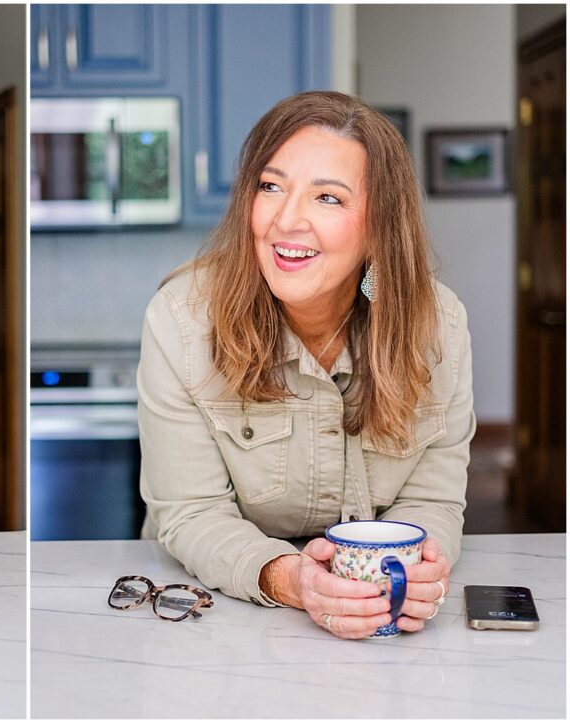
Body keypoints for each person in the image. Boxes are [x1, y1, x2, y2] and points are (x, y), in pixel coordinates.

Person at [138, 91, 475, 639]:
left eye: (328, 198)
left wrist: (416, 569)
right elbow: (190, 512)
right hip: (220, 620)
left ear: (379, 226)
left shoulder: (440, 326)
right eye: (270, 187)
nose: (286, 220)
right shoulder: (181, 320)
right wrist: (291, 579)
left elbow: (432, 500)